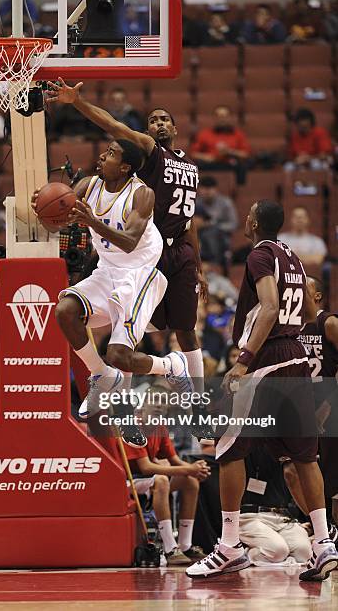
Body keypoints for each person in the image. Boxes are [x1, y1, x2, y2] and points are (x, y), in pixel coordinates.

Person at [46, 79, 210, 441]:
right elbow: (114, 127)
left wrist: (198, 266)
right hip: (142, 254)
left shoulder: (189, 165)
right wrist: (78, 102)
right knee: (126, 341)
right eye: (153, 120)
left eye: (166, 119)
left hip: (174, 248)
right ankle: (123, 403)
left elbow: (189, 219)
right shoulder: (148, 153)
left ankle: (197, 406)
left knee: (185, 330)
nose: (160, 125)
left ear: (176, 127)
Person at [186, 199, 338, 581]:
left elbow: (269, 307)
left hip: (267, 360)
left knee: (228, 446)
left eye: (249, 212)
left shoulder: (258, 256)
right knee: (305, 457)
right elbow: (299, 308)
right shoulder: (294, 257)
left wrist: (244, 358)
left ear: (253, 221)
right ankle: (324, 544)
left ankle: (228, 546)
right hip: (297, 357)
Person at [33, 139, 195, 449]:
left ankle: (171, 366)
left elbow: (131, 241)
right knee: (65, 311)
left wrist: (91, 220)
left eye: (110, 154)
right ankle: (102, 374)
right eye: (104, 149)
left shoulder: (142, 193)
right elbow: (57, 221)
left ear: (125, 167)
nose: (102, 155)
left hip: (141, 275)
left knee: (119, 355)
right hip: (107, 271)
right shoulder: (87, 184)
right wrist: (43, 208)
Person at [123, 384, 210, 565]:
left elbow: (175, 462)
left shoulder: (160, 427)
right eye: (154, 400)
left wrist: (196, 469)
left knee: (190, 481)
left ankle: (185, 545)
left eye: (163, 402)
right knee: (161, 481)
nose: (158, 406)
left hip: (146, 480)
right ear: (143, 404)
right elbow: (146, 468)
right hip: (126, 482)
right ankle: (171, 549)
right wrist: (189, 468)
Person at [284, 276, 338, 537]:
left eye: (304, 288)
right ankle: (324, 531)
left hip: (330, 410)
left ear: (317, 296)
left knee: (331, 481)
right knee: (293, 472)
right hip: (301, 413)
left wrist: (327, 406)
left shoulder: (327, 323)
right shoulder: (288, 328)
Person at [190, 106, 251, 185]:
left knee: (243, 166)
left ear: (229, 118)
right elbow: (193, 153)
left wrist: (230, 152)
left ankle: (240, 191)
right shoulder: (204, 134)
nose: (222, 119)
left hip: (229, 163)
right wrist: (205, 157)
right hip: (211, 164)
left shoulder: (238, 134)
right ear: (214, 118)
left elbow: (245, 154)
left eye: (225, 116)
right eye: (219, 116)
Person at [194, 175, 238, 267]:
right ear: (199, 189)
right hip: (200, 234)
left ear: (215, 189)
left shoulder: (225, 202)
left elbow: (233, 224)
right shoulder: (196, 203)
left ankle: (214, 263)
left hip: (221, 235)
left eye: (209, 189)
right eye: (204, 188)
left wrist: (213, 225)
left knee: (211, 233)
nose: (207, 192)